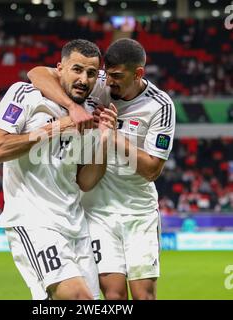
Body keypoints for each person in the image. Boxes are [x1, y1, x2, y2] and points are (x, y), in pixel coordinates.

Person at [27, 38, 176, 300]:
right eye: (109, 74)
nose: (109, 82)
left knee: (144, 296)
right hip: (97, 211)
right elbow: (36, 73)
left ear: (138, 73)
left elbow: (152, 170)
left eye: (118, 76)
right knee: (113, 296)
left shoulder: (161, 107)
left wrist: (114, 134)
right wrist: (73, 107)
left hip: (138, 212)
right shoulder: (99, 82)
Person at [0, 39, 117, 300]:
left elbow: (86, 181)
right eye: (77, 69)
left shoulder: (91, 112)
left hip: (76, 227)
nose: (84, 79)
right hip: (33, 220)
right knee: (80, 299)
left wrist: (104, 139)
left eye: (91, 73)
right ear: (59, 68)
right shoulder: (24, 95)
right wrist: (58, 126)